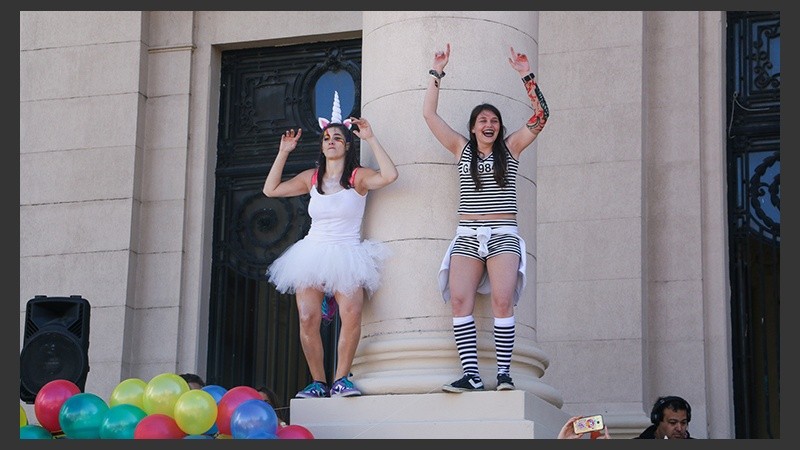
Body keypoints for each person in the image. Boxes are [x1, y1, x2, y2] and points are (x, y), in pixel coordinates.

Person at [423, 43, 549, 393]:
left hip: (503, 235)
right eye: (483, 121)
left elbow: (541, 117)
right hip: (467, 234)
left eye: (494, 120)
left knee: (502, 301)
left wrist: (526, 75)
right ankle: (472, 375)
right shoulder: (461, 149)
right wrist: (437, 72)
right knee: (460, 301)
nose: (489, 124)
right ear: (474, 128)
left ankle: (505, 374)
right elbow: (430, 117)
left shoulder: (511, 149)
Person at [263, 93, 398, 399]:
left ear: (347, 145)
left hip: (347, 251)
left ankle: (340, 379)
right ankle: (317, 381)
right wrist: (284, 151)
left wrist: (372, 137)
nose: (332, 141)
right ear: (322, 145)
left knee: (351, 313)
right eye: (327, 137)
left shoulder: (357, 177)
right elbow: (270, 189)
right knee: (308, 318)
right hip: (312, 251)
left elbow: (390, 175)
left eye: (338, 137)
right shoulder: (311, 178)